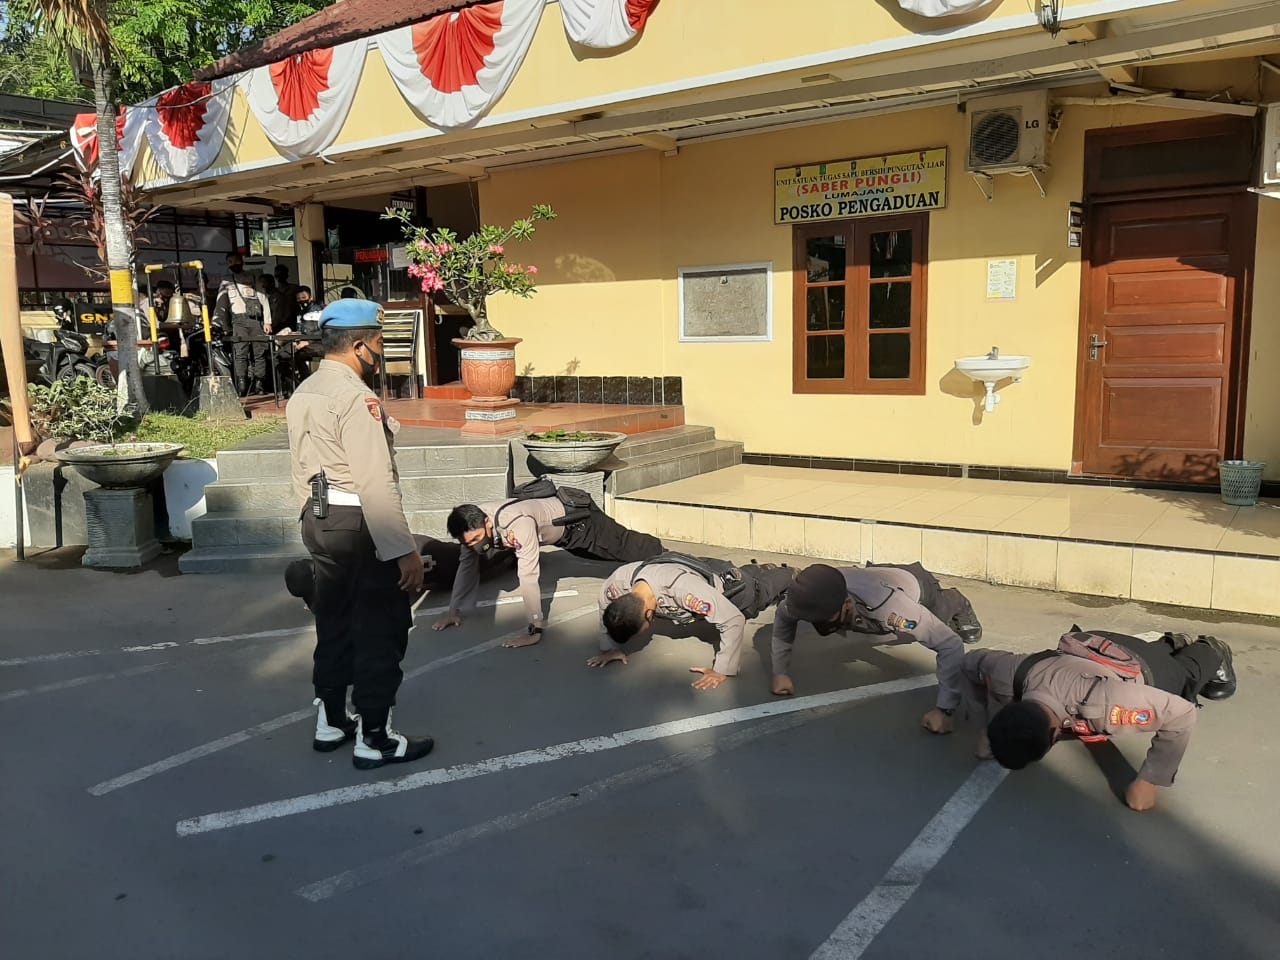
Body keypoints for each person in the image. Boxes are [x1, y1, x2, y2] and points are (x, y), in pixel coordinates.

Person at [285, 298, 433, 770]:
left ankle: (331, 722)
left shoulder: (305, 391)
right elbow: (374, 480)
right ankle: (376, 739)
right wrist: (403, 549)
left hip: (318, 519)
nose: (381, 350)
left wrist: (312, 519)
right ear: (360, 345)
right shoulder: (356, 397)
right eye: (379, 343)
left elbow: (298, 469)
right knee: (380, 631)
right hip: (360, 525)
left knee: (333, 622)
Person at [963, 629, 1237, 812]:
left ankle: (1209, 648)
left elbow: (1182, 714)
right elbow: (969, 662)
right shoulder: (1005, 672)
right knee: (1149, 653)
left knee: (1184, 676)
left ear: (1054, 736)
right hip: (1093, 645)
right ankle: (1171, 642)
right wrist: (985, 725)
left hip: (1137, 668)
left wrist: (1150, 779)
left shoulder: (1107, 705)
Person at [433, 489, 664, 646]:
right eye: (467, 543)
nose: (473, 546)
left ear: (487, 523)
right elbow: (466, 568)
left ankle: (667, 559)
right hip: (562, 535)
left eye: (476, 539)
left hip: (581, 525)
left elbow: (529, 574)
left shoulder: (517, 524)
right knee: (612, 556)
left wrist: (535, 628)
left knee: (626, 548)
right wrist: (453, 611)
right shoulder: (472, 524)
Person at [772, 562, 982, 732]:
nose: (817, 623)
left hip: (917, 586)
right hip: (875, 577)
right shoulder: (806, 600)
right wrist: (780, 672)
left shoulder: (891, 608)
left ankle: (958, 600)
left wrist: (945, 710)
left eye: (824, 618)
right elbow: (784, 620)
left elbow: (950, 645)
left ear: (846, 605)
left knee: (938, 620)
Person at [589, 553, 794, 690]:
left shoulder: (682, 590)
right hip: (696, 572)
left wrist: (722, 669)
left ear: (649, 616)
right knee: (745, 577)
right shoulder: (618, 584)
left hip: (730, 588)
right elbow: (604, 604)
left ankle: (789, 575)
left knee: (757, 596)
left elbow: (733, 619)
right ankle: (760, 569)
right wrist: (610, 648)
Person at [285, 534, 517, 612]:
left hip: (420, 555)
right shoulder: (331, 566)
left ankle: (513, 547)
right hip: (408, 559)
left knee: (476, 559)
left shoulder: (349, 570)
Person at [213, 251, 273, 397]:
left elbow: (264, 299)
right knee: (241, 354)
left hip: (256, 320)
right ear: (227, 264)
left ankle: (259, 383)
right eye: (230, 262)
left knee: (259, 354)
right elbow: (221, 305)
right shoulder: (226, 281)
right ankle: (242, 385)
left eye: (236, 261)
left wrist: (267, 321)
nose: (234, 264)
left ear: (242, 261)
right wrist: (222, 325)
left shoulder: (253, 277)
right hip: (238, 321)